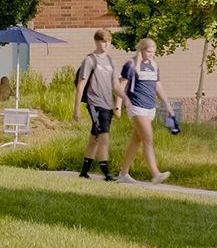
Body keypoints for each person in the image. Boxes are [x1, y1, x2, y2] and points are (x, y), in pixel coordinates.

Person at [115, 38, 174, 185]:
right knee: (148, 139)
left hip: (150, 108)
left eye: (154, 52)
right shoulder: (131, 65)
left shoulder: (153, 65)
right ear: (141, 49)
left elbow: (157, 86)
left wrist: (166, 103)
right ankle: (155, 174)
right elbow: (122, 85)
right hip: (136, 107)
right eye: (149, 51)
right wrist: (118, 106)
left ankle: (123, 174)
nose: (151, 54)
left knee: (136, 140)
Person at [72, 29, 122, 181]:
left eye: (108, 42)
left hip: (108, 104)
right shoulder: (90, 60)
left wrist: (121, 102)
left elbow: (116, 84)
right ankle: (106, 173)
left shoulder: (110, 61)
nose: (106, 45)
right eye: (103, 41)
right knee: (103, 137)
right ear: (96, 41)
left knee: (94, 138)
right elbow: (82, 84)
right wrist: (76, 109)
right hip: (94, 103)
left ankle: (84, 171)